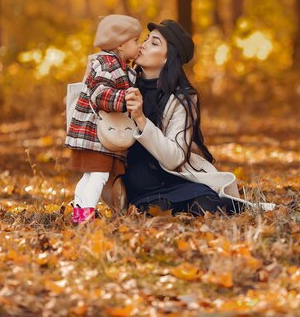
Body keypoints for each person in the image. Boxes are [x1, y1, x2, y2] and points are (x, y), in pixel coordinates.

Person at [122, 19, 274, 215]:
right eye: (146, 39)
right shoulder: (123, 83)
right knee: (154, 214)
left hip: (176, 182)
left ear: (168, 58)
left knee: (208, 207)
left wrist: (141, 119)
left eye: (154, 42)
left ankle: (256, 209)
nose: (142, 45)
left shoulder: (182, 98)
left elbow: (174, 158)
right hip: (140, 192)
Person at [65, 14, 141, 223]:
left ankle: (79, 214)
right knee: (98, 176)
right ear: (120, 44)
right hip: (95, 135)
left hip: (91, 134)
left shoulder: (115, 63)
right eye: (136, 41)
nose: (139, 45)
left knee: (89, 176)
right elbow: (99, 94)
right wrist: (124, 99)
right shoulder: (109, 65)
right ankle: (84, 217)